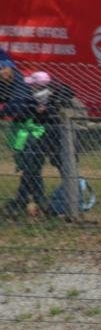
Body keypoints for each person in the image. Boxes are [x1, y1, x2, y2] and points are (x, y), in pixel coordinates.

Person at [0, 49, 46, 216]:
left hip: (36, 130)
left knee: (30, 165)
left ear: (10, 67)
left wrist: (3, 110)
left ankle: (26, 201)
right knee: (30, 167)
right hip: (20, 131)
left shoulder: (20, 83)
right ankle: (36, 202)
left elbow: (19, 106)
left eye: (3, 68)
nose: (1, 73)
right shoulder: (4, 85)